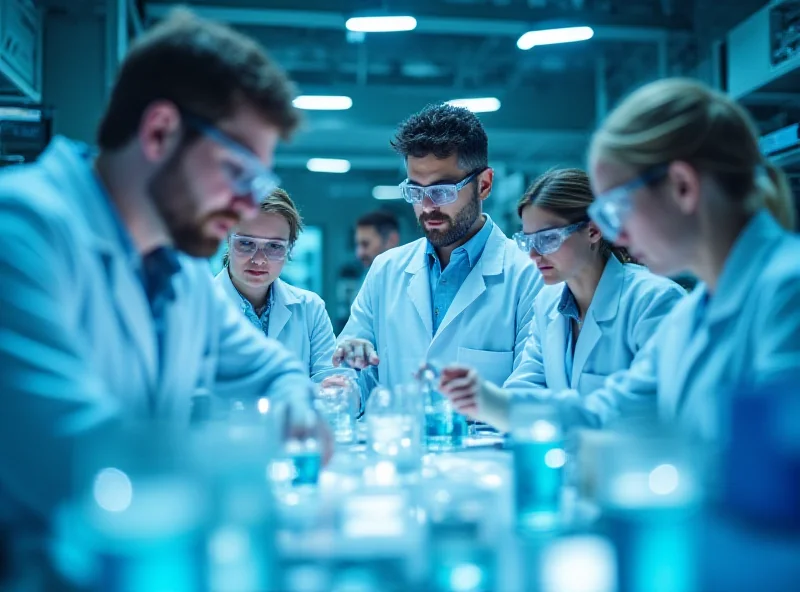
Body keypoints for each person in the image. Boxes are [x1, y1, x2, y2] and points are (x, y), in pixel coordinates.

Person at [0, 9, 329, 529]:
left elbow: (276, 370)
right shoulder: (21, 232)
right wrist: (247, 460)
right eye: (236, 170)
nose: (248, 204)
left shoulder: (176, 266)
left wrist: (296, 407)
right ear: (159, 132)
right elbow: (79, 458)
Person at [456, 78, 800, 440]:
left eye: (619, 208)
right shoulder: (691, 315)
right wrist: (488, 402)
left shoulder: (788, 292)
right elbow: (608, 414)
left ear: (682, 186)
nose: (618, 236)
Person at [438, 168, 685, 430]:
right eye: (527, 241)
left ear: (593, 230)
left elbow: (639, 410)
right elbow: (527, 384)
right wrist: (481, 400)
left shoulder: (655, 302)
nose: (533, 254)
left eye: (547, 239)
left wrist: (499, 406)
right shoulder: (548, 304)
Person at [334, 103, 543, 398]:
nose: (428, 206)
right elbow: (355, 374)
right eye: (416, 192)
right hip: (400, 441)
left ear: (484, 185)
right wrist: (345, 385)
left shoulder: (528, 275)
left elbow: (531, 391)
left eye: (442, 191)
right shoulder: (386, 270)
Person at [215, 188, 336, 380]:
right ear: (228, 240)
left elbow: (330, 384)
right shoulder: (196, 307)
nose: (259, 260)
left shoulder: (310, 309)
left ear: (289, 248)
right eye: (246, 243)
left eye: (274, 246)